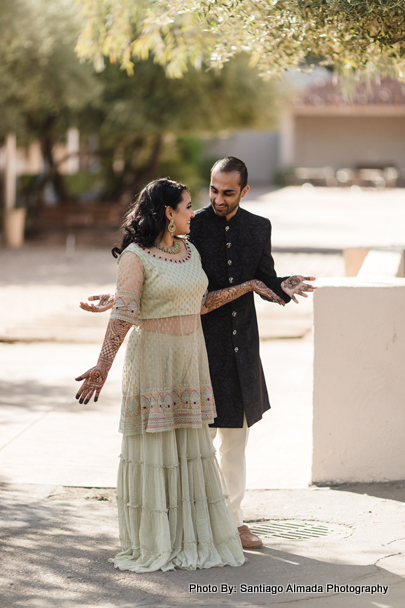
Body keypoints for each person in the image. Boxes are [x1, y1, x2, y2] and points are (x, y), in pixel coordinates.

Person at [82, 158, 316, 550]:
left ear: (244, 190)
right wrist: (116, 300)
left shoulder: (259, 227)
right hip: (196, 347)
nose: (216, 199)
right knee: (196, 444)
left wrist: (282, 284)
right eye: (212, 190)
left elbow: (263, 276)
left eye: (227, 192)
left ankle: (234, 520)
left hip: (240, 348)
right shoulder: (192, 227)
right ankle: (195, 522)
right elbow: (154, 275)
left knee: (235, 442)